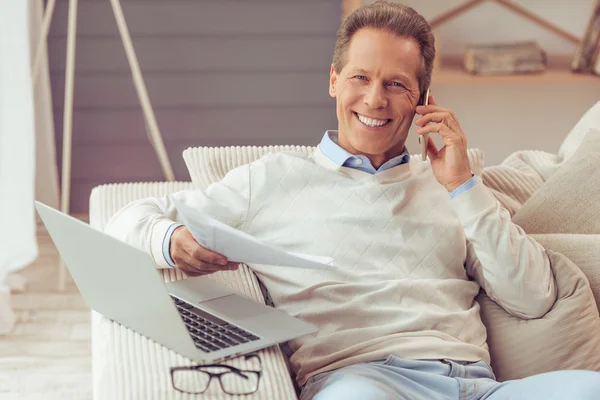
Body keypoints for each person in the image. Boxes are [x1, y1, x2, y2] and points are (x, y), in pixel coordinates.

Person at [104, 1, 600, 399]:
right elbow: (128, 216)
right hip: (362, 381)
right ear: (334, 81)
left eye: (397, 84)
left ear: (423, 100)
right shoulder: (272, 179)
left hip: (475, 385)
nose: (376, 99)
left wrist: (463, 186)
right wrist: (170, 239)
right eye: (361, 77)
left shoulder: (452, 186)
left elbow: (534, 298)